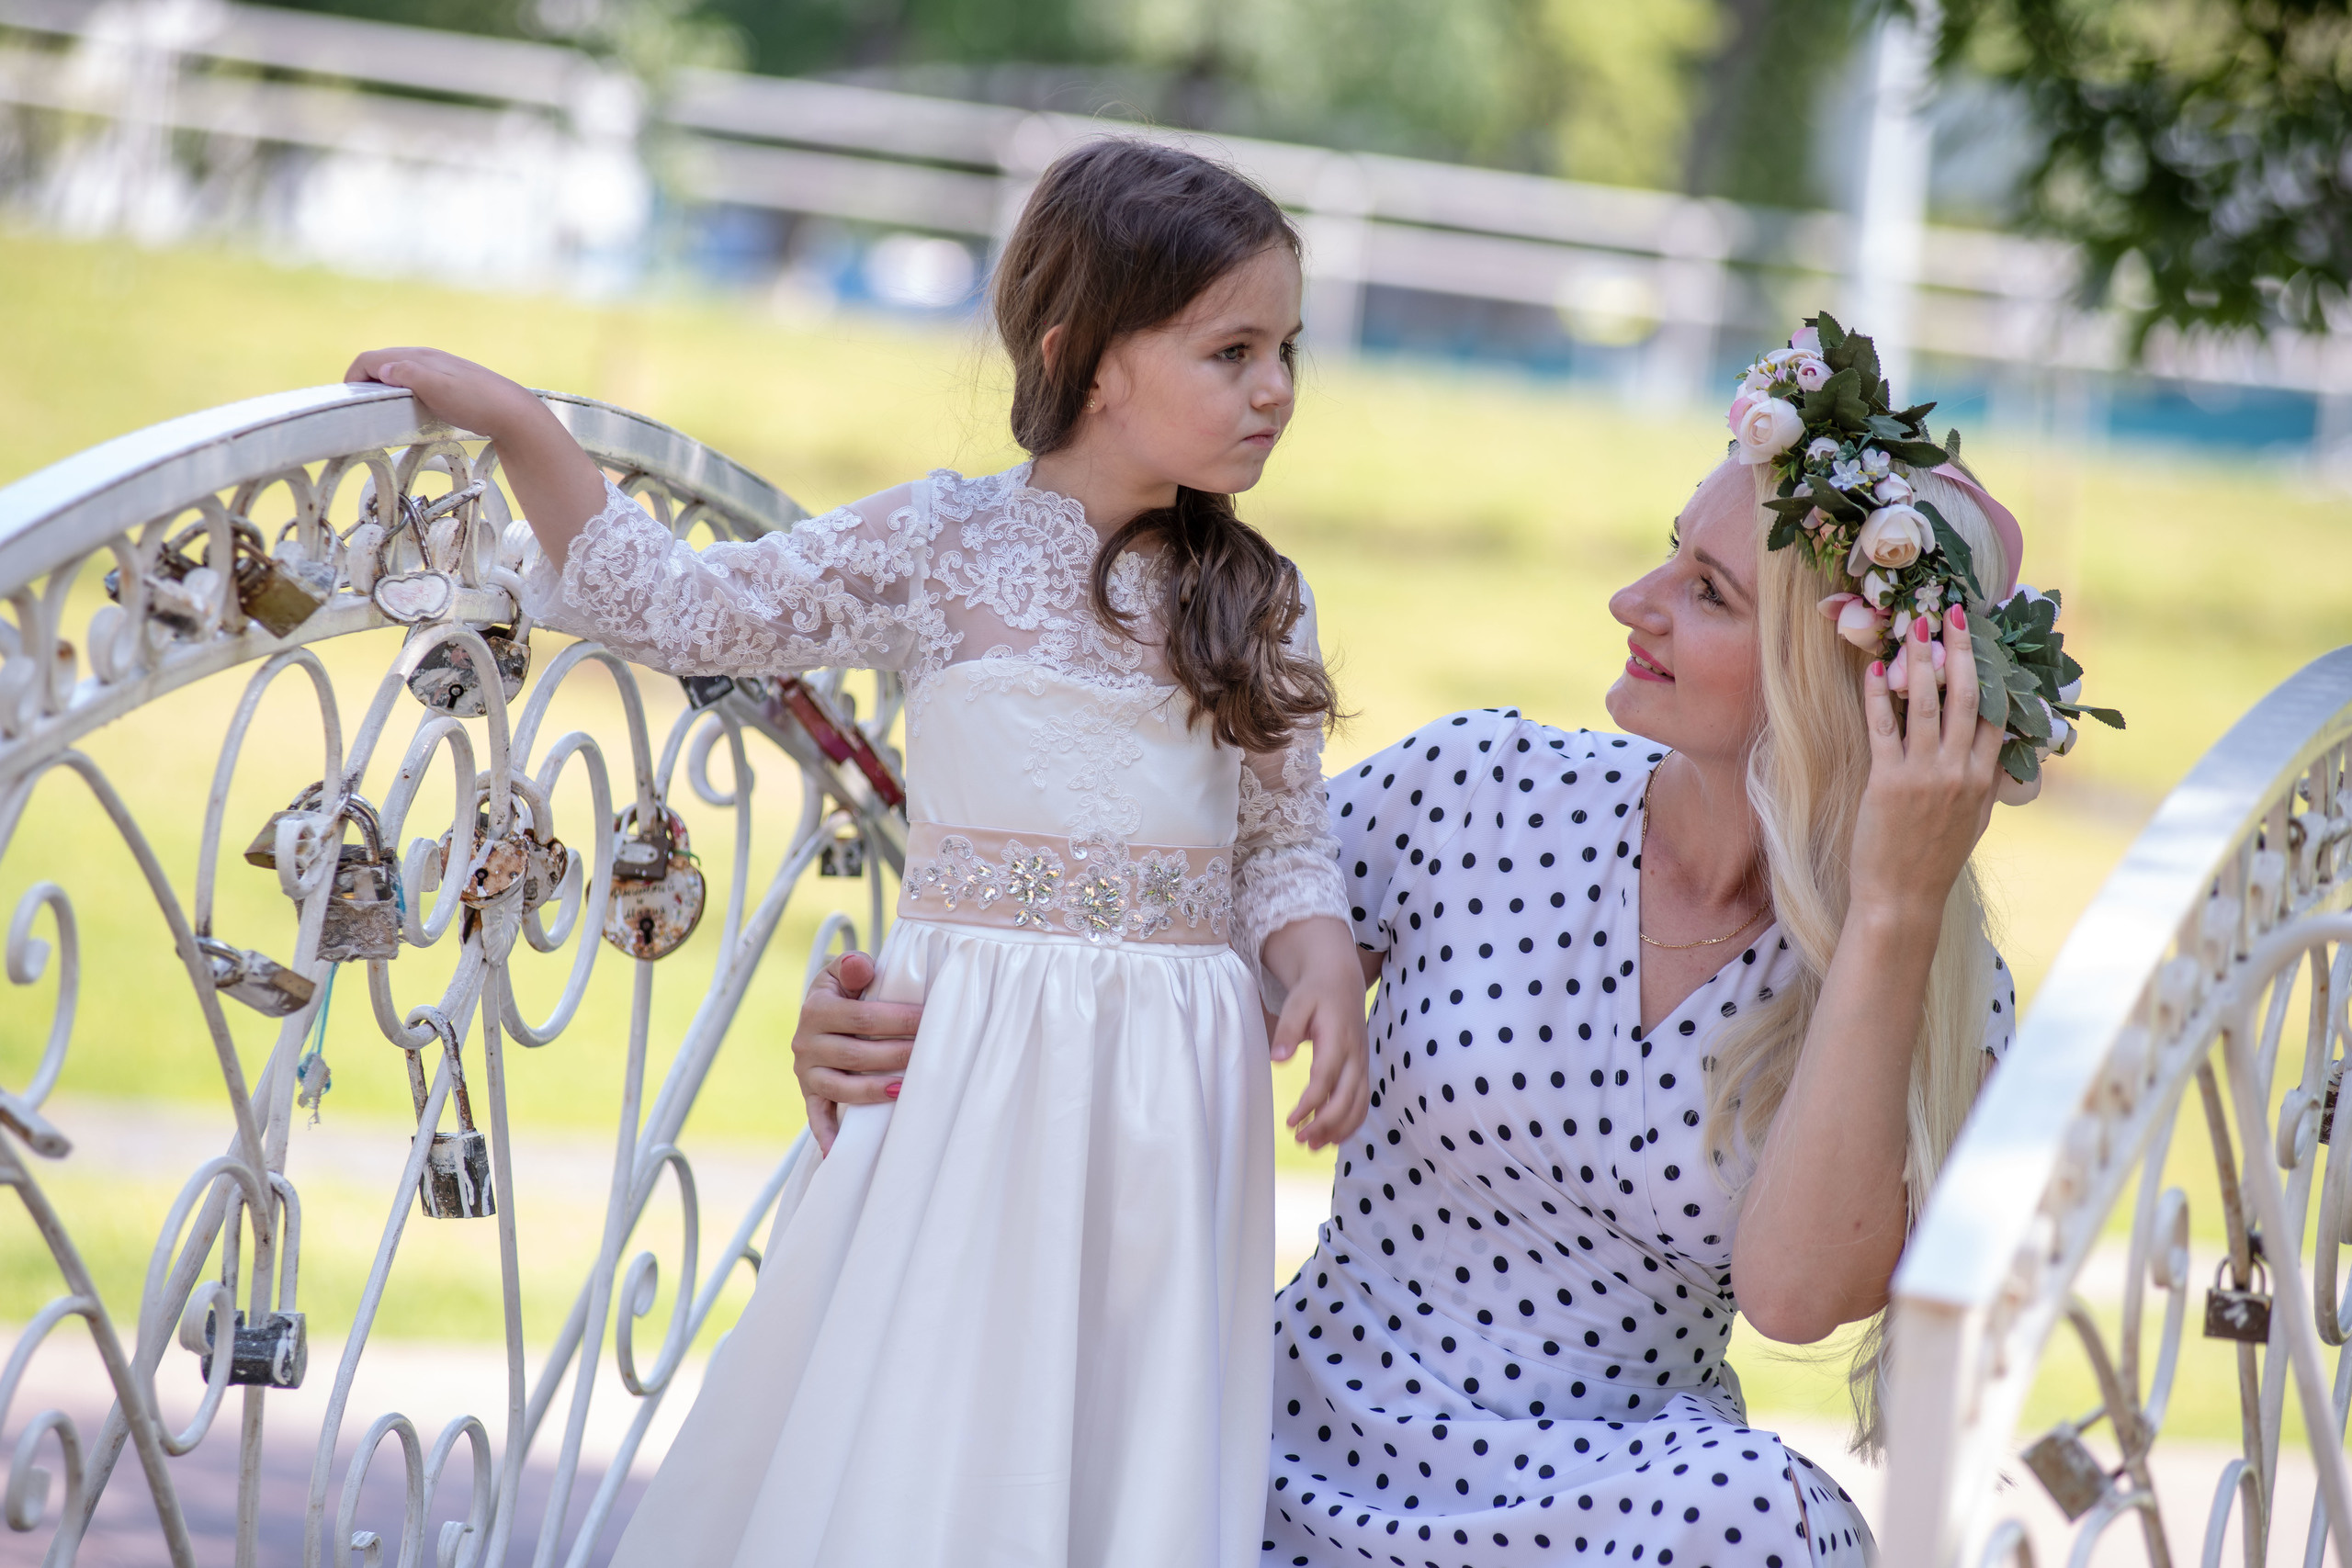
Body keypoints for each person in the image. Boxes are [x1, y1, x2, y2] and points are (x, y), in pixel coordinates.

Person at [796, 320, 2114, 1565]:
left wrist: (1890, 911)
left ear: (1821, 681)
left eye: (1706, 594)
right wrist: (906, 1019)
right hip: (1286, 1453)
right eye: (1669, 554)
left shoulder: (1914, 975)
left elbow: (1792, 1298)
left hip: (1599, 1510)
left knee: (1764, 1512)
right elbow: (1141, 980)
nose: (1633, 600)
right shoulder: (1479, 790)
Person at [345, 138, 1372, 1568]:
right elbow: (685, 614)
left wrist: (1313, 953)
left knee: (1120, 1433)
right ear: (1085, 358)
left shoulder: (1257, 597)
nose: (1276, 390)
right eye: (1233, 352)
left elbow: (1279, 834)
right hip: (968, 1064)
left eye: (1287, 352)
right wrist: (520, 422)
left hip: (1168, 1094)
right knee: (936, 1405)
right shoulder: (942, 545)